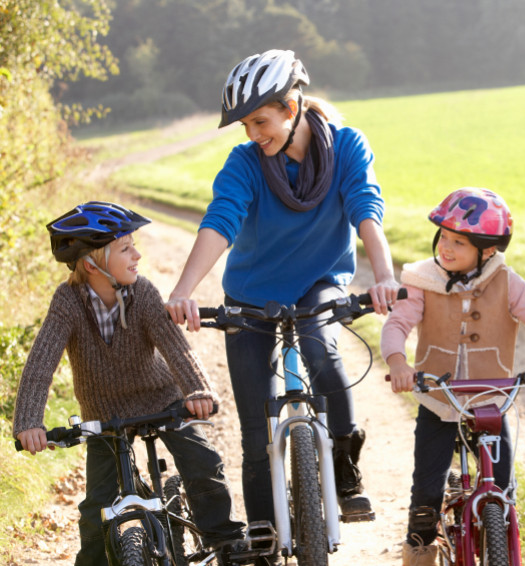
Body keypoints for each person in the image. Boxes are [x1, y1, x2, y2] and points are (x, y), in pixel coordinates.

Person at [164, 49, 401, 529]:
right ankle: (264, 535)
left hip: (319, 283)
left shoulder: (349, 146)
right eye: (246, 126)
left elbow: (366, 210)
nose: (253, 135)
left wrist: (384, 275)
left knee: (325, 356)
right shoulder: (246, 163)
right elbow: (221, 220)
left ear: (292, 108)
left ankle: (345, 473)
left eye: (260, 121)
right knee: (257, 431)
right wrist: (184, 288)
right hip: (251, 295)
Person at [13, 201, 245, 565]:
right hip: (105, 414)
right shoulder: (67, 302)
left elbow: (176, 349)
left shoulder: (145, 294)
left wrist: (197, 390)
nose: (137, 255)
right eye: (125, 248)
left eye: (134, 245)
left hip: (161, 400)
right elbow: (41, 362)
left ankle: (226, 541)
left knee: (203, 463)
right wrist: (28, 421)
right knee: (96, 509)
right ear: (91, 264)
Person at [381, 187, 525, 566]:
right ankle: (419, 551)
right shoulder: (423, 280)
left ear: (487, 251)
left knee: (500, 485)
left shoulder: (506, 280)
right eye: (445, 238)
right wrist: (399, 362)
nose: (447, 248)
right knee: (427, 488)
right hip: (439, 400)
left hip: (489, 400)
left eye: (459, 243)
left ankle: (495, 541)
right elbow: (397, 322)